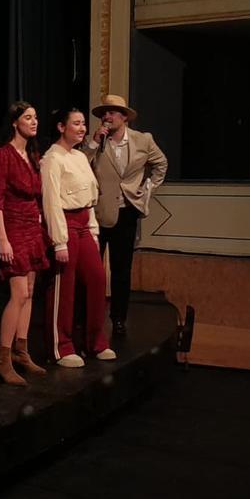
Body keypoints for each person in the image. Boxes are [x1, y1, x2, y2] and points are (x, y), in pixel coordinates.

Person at [84, 94, 168, 336]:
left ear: (124, 117)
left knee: (122, 270)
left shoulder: (143, 140)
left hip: (127, 211)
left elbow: (161, 164)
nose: (106, 117)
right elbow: (81, 165)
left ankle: (119, 318)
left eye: (111, 112)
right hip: (99, 212)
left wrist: (148, 187)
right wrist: (93, 144)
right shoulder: (96, 141)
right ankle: (86, 317)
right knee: (92, 270)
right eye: (104, 113)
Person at [42, 108, 114, 368]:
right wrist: (59, 240)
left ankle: (95, 341)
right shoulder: (52, 158)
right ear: (61, 127)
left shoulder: (81, 156)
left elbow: (89, 198)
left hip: (84, 224)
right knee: (64, 284)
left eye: (84, 123)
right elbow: (51, 202)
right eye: (76, 123)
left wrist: (93, 230)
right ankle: (61, 346)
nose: (82, 128)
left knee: (97, 278)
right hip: (66, 224)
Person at [0, 101, 50, 386]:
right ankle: (2, 358)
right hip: (12, 227)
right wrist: (2, 239)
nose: (34, 122)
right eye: (28, 117)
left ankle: (21, 351)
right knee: (19, 292)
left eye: (35, 117)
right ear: (15, 122)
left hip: (32, 226)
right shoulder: (4, 155)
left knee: (30, 291)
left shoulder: (32, 154)